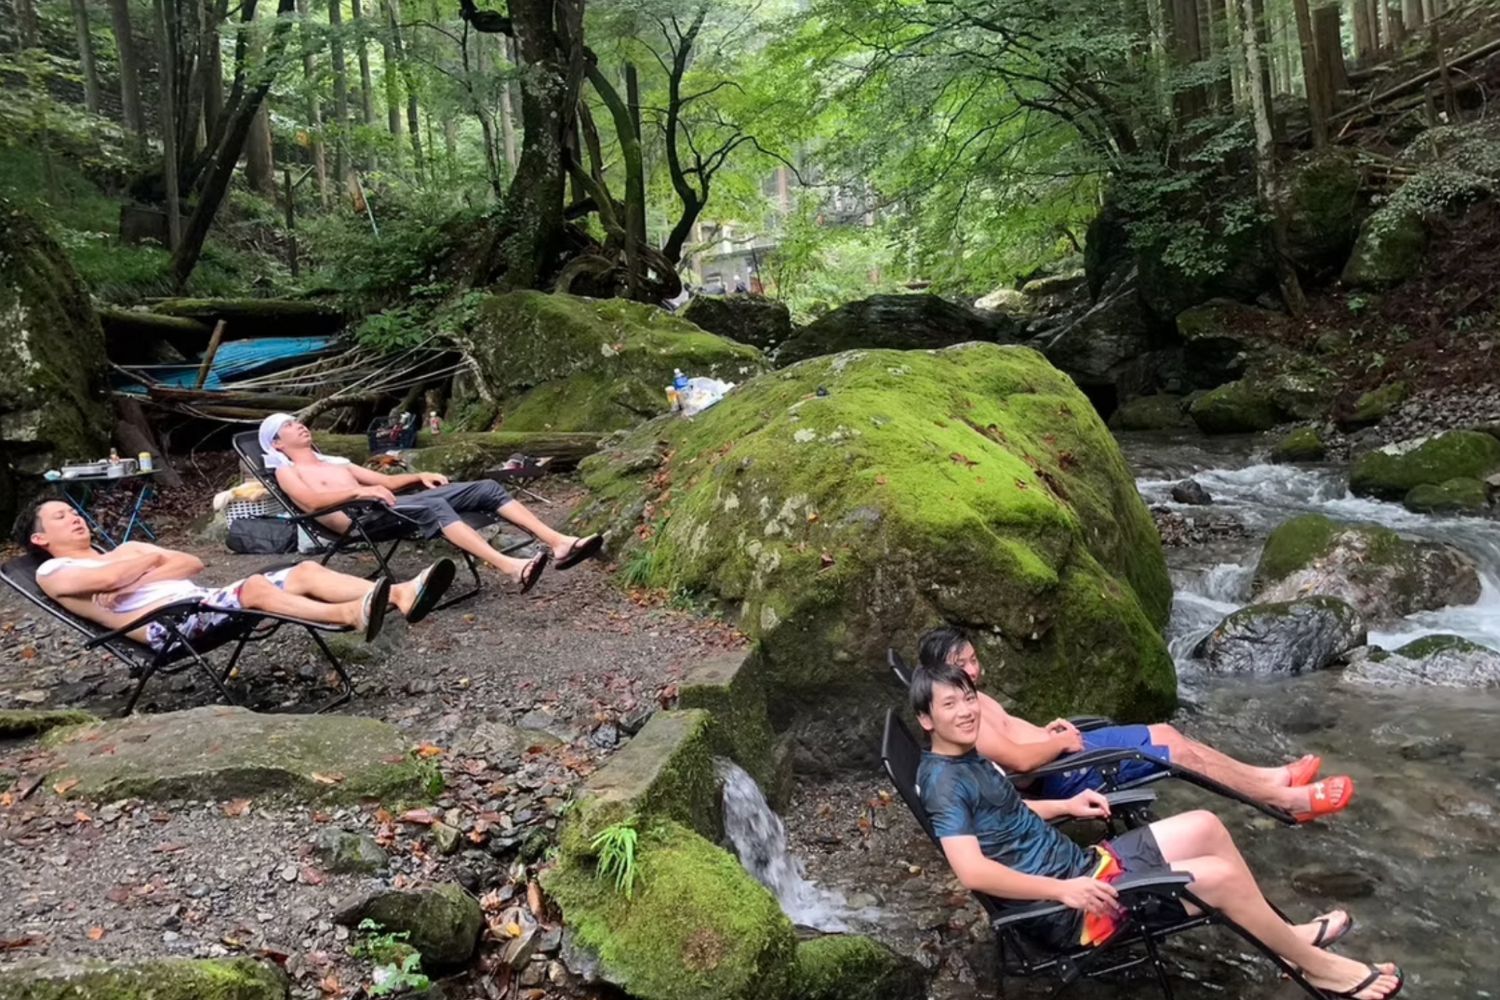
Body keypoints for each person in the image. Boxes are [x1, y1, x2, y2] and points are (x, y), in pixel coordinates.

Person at [911, 659, 1403, 999]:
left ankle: (1287, 942)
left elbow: (1003, 817)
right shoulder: (944, 784)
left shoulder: (968, 758)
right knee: (1219, 879)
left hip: (1086, 868)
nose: (967, 711)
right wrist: (1063, 891)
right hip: (1075, 911)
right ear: (925, 719)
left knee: (1206, 825)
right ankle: (1320, 969)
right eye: (950, 705)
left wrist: (1066, 803)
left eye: (969, 699)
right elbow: (973, 871)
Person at [917, 627, 1352, 823]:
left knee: (1167, 733)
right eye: (963, 664)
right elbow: (1019, 763)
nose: (974, 669)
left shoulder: (970, 697)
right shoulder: (963, 719)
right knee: (1176, 754)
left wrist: (1048, 731)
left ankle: (1267, 778)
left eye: (974, 659)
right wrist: (1058, 744)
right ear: (939, 674)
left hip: (1065, 750)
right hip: (1063, 773)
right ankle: (1285, 801)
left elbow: (1014, 731)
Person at [17, 499, 456, 650]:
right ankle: (350, 614)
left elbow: (191, 563)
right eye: (60, 517)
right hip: (168, 625)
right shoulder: (54, 571)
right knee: (256, 587)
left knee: (303, 569)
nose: (74, 518)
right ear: (41, 539)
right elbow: (110, 582)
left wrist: (135, 569)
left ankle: (400, 594)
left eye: (74, 511)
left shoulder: (124, 550)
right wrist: (145, 564)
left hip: (203, 602)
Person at [260, 413, 602, 592]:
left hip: (386, 504)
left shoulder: (336, 462)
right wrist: (358, 493)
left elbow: (386, 482)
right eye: (289, 425)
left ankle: (559, 542)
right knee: (432, 508)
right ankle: (512, 568)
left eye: (298, 421)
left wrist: (419, 475)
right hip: (359, 520)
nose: (300, 426)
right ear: (276, 444)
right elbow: (310, 502)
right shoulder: (287, 471)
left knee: (485, 487)